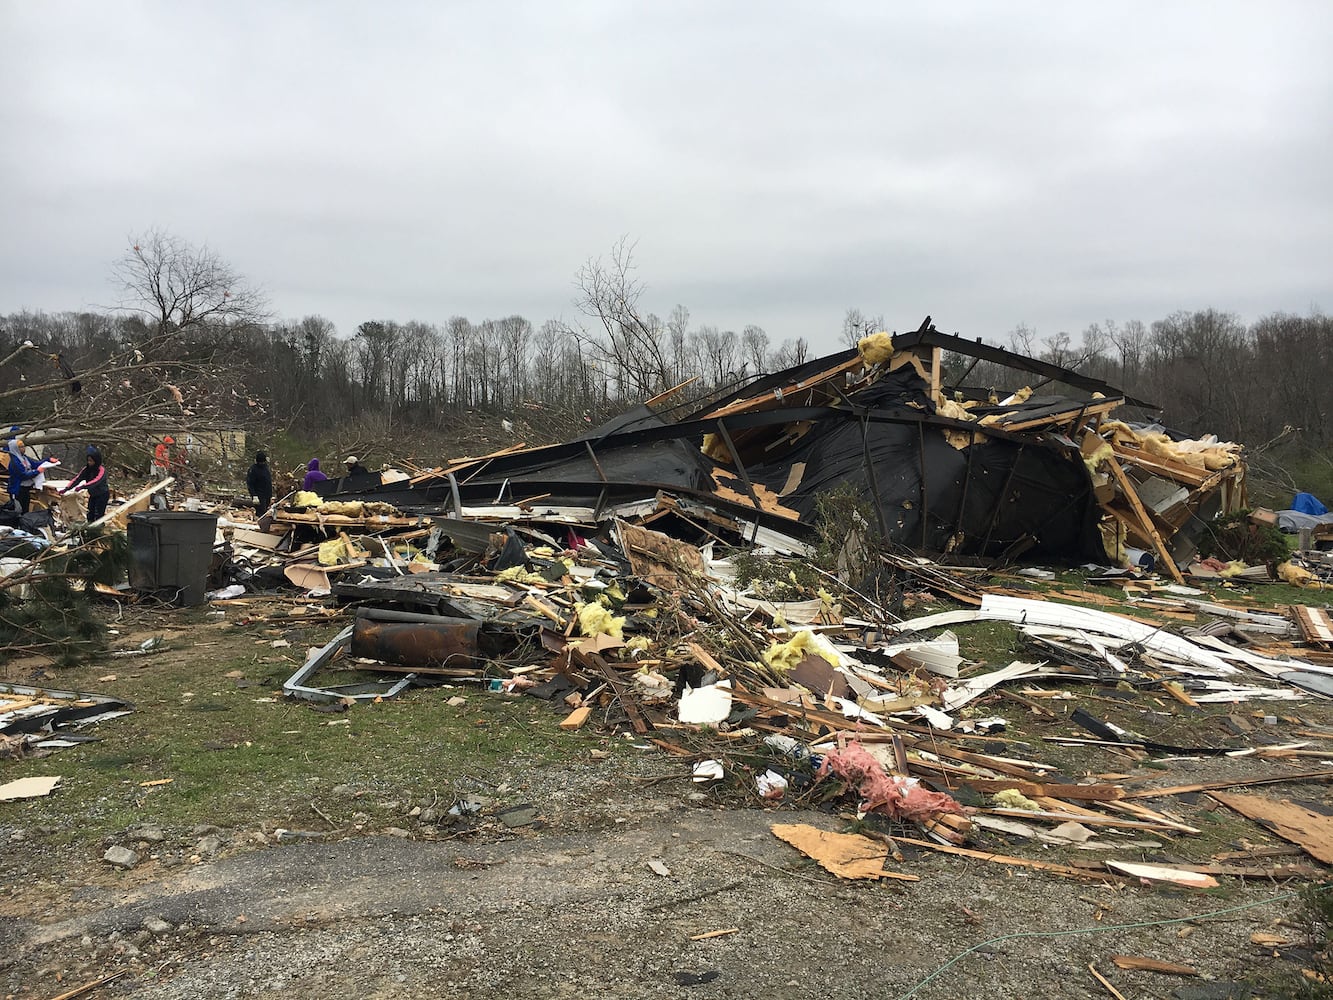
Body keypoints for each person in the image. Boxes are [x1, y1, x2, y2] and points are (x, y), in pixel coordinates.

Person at [61, 446, 110, 522]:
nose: (89, 463)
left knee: (99, 514)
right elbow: (77, 479)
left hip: (102, 494)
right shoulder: (86, 469)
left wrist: (83, 487)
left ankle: (98, 529)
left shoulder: (101, 470)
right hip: (93, 495)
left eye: (91, 461)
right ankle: (90, 527)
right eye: (88, 461)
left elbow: (96, 481)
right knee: (90, 513)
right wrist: (66, 488)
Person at [5, 438, 36, 513]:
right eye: (21, 447)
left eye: (24, 446)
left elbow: (35, 464)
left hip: (26, 489)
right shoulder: (14, 462)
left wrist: (48, 460)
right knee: (18, 510)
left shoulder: (24, 458)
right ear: (16, 448)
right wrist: (37, 471)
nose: (24, 448)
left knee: (25, 510)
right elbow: (23, 475)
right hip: (18, 490)